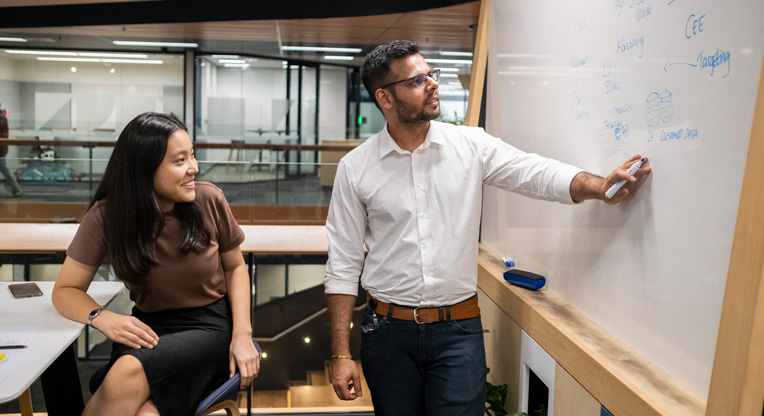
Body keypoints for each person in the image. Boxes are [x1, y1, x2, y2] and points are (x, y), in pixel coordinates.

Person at [323, 40, 652, 416]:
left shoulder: (470, 145)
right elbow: (343, 265)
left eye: (432, 74)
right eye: (417, 81)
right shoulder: (355, 168)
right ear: (385, 98)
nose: (432, 84)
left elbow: (533, 172)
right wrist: (340, 353)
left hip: (457, 333)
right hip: (386, 334)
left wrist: (596, 186)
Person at [52, 112, 260, 416]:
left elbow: (235, 268)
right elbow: (65, 291)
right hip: (146, 329)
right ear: (144, 169)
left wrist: (243, 335)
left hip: (210, 329)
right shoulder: (107, 216)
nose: (194, 168)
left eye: (192, 155)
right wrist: (103, 317)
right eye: (180, 161)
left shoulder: (209, 199)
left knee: (126, 373)